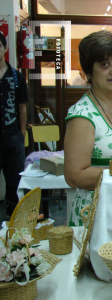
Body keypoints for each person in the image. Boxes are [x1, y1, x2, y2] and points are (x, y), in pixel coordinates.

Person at [64, 30, 112, 226]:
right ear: (88, 72)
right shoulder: (83, 114)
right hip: (96, 212)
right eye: (104, 64)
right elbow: (75, 176)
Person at [0, 32, 29, 216]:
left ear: (4, 48)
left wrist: (22, 135)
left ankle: (13, 222)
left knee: (14, 183)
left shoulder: (16, 77)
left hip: (12, 137)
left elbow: (22, 108)